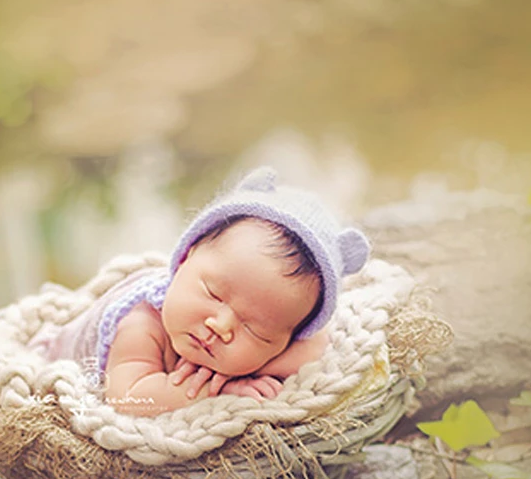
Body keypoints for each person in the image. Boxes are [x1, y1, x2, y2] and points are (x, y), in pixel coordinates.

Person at [30, 166, 370, 416]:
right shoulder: (142, 323)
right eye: (213, 294)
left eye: (255, 329)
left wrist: (254, 365)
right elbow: (128, 399)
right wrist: (219, 391)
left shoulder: (278, 327)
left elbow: (315, 349)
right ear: (185, 258)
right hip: (59, 358)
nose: (220, 326)